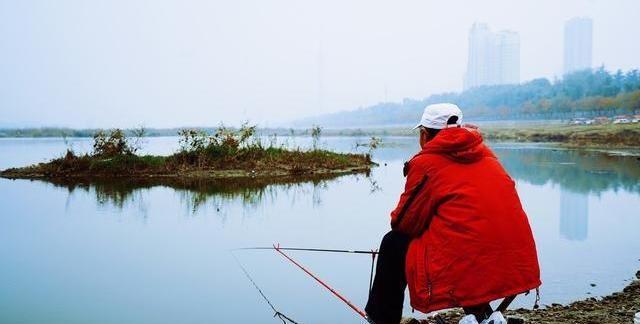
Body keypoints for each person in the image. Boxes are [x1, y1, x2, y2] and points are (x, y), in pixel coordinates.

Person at [365, 103, 541, 324]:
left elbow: (402, 223)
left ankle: (381, 319)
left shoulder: (426, 163)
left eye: (422, 133)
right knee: (463, 236)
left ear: (425, 134)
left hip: (474, 259)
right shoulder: (486, 155)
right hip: (517, 263)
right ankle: (484, 316)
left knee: (393, 243)